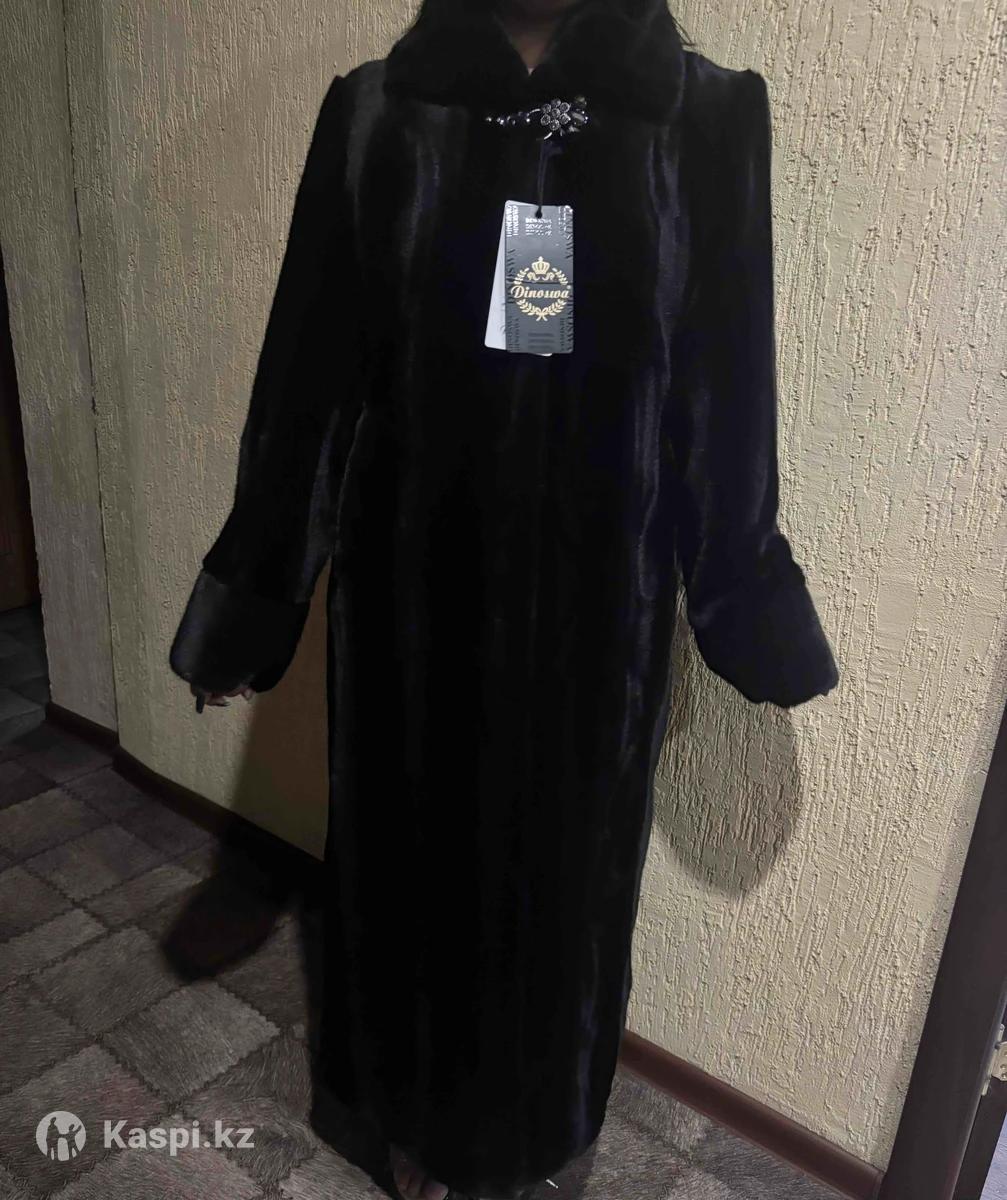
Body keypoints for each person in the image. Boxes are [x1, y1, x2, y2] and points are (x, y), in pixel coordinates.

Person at [172, 1, 840, 1198]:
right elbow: (307, 386)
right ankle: (411, 1132)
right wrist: (256, 593)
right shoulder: (375, 114)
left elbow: (727, 396)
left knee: (563, 911)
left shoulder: (704, 121)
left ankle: (536, 1145)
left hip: (597, 639)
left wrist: (743, 591)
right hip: (407, 628)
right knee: (404, 893)